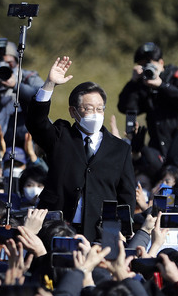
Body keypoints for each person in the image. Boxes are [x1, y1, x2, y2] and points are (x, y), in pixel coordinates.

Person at [26, 56, 136, 242]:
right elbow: (36, 123)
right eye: (88, 109)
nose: (95, 114)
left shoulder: (119, 149)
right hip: (57, 227)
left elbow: (127, 194)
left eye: (99, 109)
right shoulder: (61, 137)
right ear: (73, 112)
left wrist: (124, 229)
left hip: (99, 232)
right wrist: (49, 84)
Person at [117, 42, 178, 156]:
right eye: (143, 65)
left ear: (161, 63)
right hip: (157, 148)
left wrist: (161, 86)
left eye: (151, 65)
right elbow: (125, 107)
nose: (148, 69)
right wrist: (133, 83)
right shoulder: (143, 84)